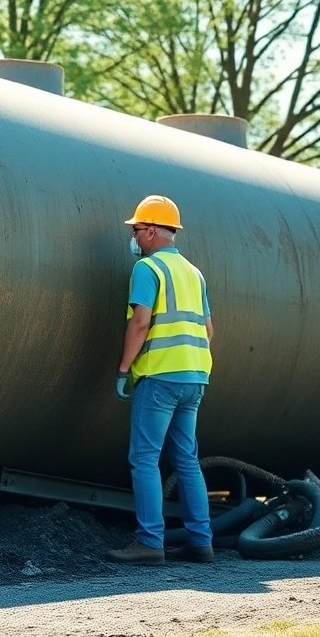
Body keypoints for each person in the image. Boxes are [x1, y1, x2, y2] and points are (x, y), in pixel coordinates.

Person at [106, 195, 215, 566]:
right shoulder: (193, 272)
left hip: (159, 378)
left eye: (136, 230)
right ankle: (201, 541)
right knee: (187, 459)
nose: (134, 237)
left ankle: (150, 542)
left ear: (151, 231)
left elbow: (140, 322)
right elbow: (208, 329)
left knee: (144, 458)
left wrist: (123, 369)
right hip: (194, 377)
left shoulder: (148, 269)